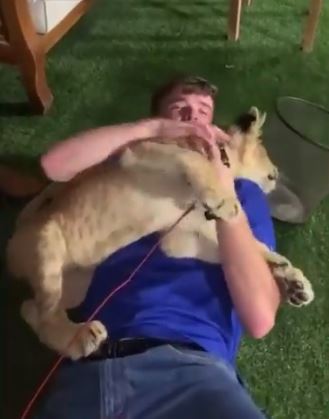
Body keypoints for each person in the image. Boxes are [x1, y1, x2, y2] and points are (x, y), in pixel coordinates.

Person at [32, 75, 280, 419]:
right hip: (93, 363)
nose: (193, 116)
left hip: (193, 371)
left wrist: (224, 194)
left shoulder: (242, 190)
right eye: (180, 109)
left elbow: (260, 317)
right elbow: (53, 165)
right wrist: (147, 129)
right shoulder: (130, 160)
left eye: (203, 111)